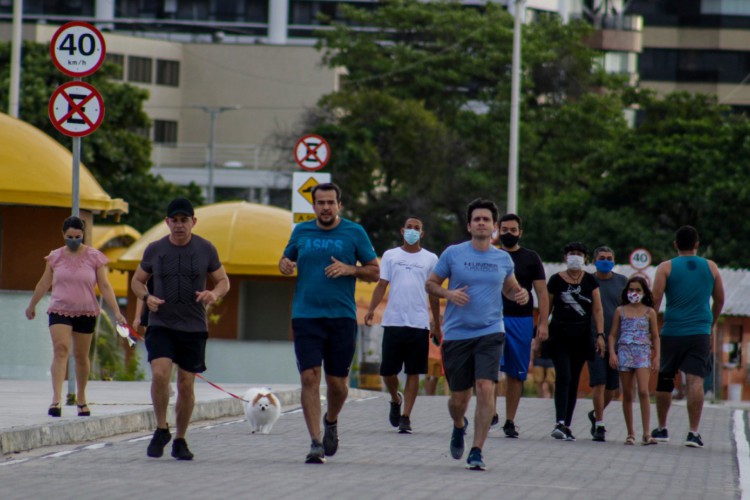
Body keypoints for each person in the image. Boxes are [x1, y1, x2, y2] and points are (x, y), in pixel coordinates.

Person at [279, 182, 379, 464]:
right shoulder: (301, 231)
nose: (325, 207)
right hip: (306, 315)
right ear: (313, 207)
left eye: (330, 202)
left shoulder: (354, 232)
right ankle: (314, 442)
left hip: (342, 317)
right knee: (309, 377)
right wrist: (284, 264)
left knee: (338, 384)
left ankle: (331, 420)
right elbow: (286, 260)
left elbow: (374, 271)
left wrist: (350, 269)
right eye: (320, 203)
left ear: (339, 205)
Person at [426, 198, 529, 471]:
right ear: (470, 225)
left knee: (485, 387)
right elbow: (431, 284)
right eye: (477, 219)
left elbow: (509, 288)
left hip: (491, 331)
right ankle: (459, 425)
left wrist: (519, 293)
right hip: (458, 334)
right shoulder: (453, 254)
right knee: (458, 399)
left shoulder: (502, 258)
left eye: (486, 220)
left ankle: (477, 450)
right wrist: (448, 293)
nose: (482, 223)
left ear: (494, 227)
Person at [131, 198, 230, 461]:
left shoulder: (205, 249)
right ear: (167, 222)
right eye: (174, 220)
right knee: (160, 374)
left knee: (186, 384)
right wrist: (146, 298)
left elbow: (223, 281)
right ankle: (161, 427)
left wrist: (214, 293)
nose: (179, 225)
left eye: (184, 220)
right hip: (162, 324)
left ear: (193, 222)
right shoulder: (154, 249)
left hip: (193, 326)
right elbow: (137, 281)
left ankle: (180, 439)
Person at [25, 216, 126, 417]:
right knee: (61, 349)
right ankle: (56, 400)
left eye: (77, 237)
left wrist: (117, 311)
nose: (73, 240)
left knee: (81, 356)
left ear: (83, 236)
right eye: (69, 236)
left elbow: (105, 286)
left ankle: (81, 398)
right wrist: (32, 304)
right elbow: (44, 283)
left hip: (86, 311)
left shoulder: (94, 257)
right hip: (59, 310)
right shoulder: (55, 257)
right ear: (63, 235)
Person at [364, 216, 440, 434]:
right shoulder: (391, 256)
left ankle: (406, 415)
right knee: (388, 371)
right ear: (402, 230)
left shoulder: (430, 259)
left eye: (417, 228)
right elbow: (381, 285)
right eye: (409, 227)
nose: (413, 231)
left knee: (414, 372)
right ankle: (395, 399)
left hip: (418, 323)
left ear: (422, 234)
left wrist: (435, 322)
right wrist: (371, 309)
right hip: (393, 321)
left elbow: (434, 293)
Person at [650, 225, 724, 448]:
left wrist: (650, 328)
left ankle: (662, 428)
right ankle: (693, 432)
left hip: (672, 331)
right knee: (695, 381)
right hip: (699, 332)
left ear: (675, 245)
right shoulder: (711, 267)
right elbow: (720, 299)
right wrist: (711, 321)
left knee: (665, 378)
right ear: (697, 245)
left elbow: (655, 300)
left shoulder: (665, 268)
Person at [492, 213, 549, 438]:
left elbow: (542, 293)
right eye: (504, 229)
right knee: (492, 368)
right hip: (494, 318)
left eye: (513, 230)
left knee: (517, 373)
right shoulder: (491, 256)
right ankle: (491, 412)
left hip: (522, 320)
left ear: (520, 232)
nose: (508, 233)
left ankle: (510, 420)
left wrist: (543, 323)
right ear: (498, 231)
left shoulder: (531, 258)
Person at [545, 242, 604, 441]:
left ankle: (567, 424)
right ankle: (559, 421)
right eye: (571, 253)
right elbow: (547, 307)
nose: (575, 257)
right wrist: (541, 329)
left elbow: (597, 309)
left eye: (579, 254)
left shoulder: (590, 281)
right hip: (559, 335)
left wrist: (600, 335)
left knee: (575, 380)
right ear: (565, 257)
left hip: (582, 335)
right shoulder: (555, 280)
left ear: (585, 258)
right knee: (564, 376)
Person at [608, 276, 660, 445]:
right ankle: (630, 433)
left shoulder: (650, 312)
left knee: (644, 391)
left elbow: (656, 336)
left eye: (638, 290)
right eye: (631, 290)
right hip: (624, 351)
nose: (634, 293)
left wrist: (657, 356)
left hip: (643, 352)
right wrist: (612, 354)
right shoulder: (620, 310)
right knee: (628, 393)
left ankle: (646, 433)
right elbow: (613, 335)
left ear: (644, 292)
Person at [586, 246, 628, 442]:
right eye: (601, 258)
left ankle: (595, 413)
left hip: (617, 341)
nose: (605, 260)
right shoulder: (587, 281)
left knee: (612, 389)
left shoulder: (622, 282)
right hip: (594, 339)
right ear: (594, 260)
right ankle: (600, 425)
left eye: (609, 258)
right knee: (599, 382)